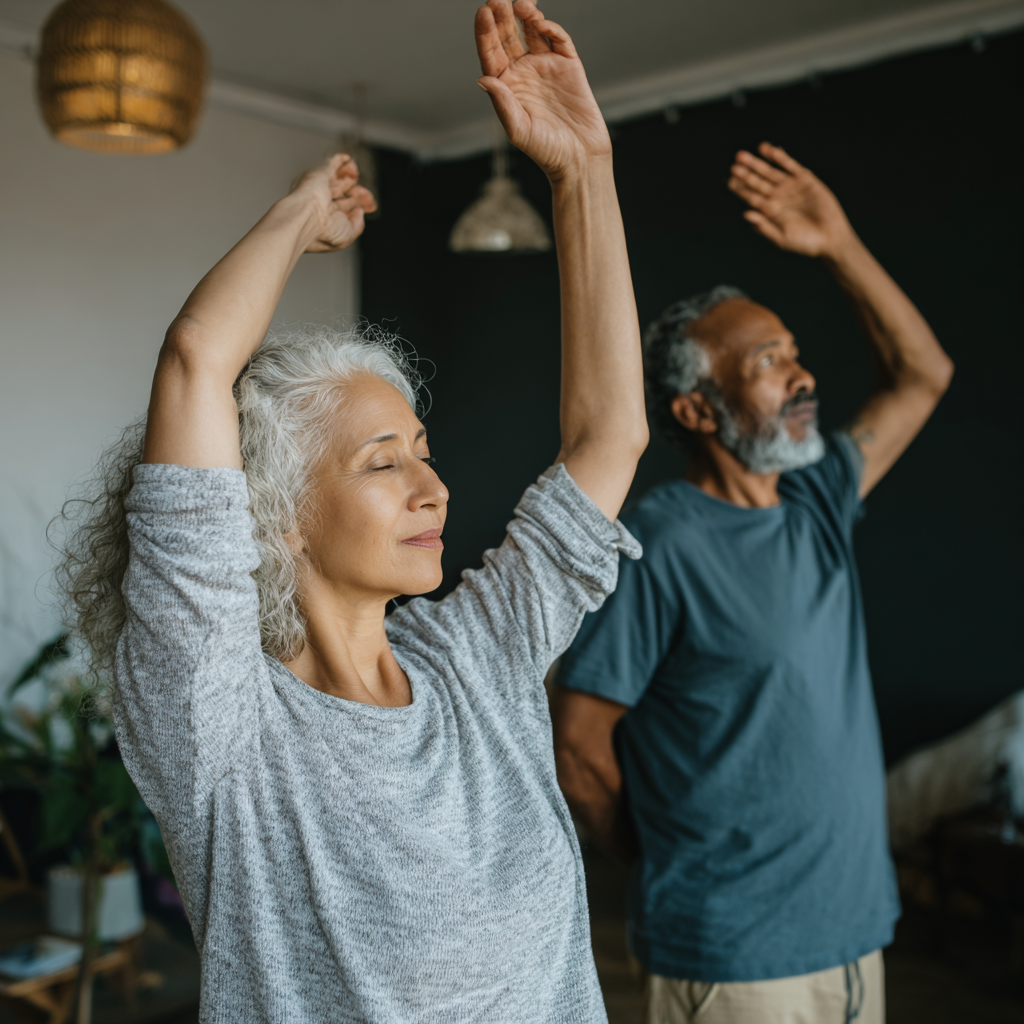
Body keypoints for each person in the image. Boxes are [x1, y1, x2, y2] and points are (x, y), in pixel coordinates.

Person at [56, 2, 648, 1019]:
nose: (434, 486)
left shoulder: (475, 656)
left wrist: (581, 173)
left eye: (423, 451)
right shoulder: (223, 728)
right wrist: (295, 218)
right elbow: (198, 363)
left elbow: (607, 440)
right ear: (275, 513)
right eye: (384, 462)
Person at [552, 143, 954, 1024]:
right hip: (732, 952)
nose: (803, 374)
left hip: (855, 931)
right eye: (769, 363)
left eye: (794, 353)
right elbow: (579, 744)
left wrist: (840, 242)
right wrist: (664, 857)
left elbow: (926, 374)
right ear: (698, 410)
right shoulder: (660, 540)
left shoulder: (815, 496)